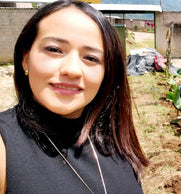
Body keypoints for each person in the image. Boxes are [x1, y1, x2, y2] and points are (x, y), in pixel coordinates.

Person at [0, 0, 149, 193]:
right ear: (26, 59)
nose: (72, 70)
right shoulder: (5, 146)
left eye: (91, 58)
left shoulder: (115, 140)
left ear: (107, 73)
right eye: (54, 49)